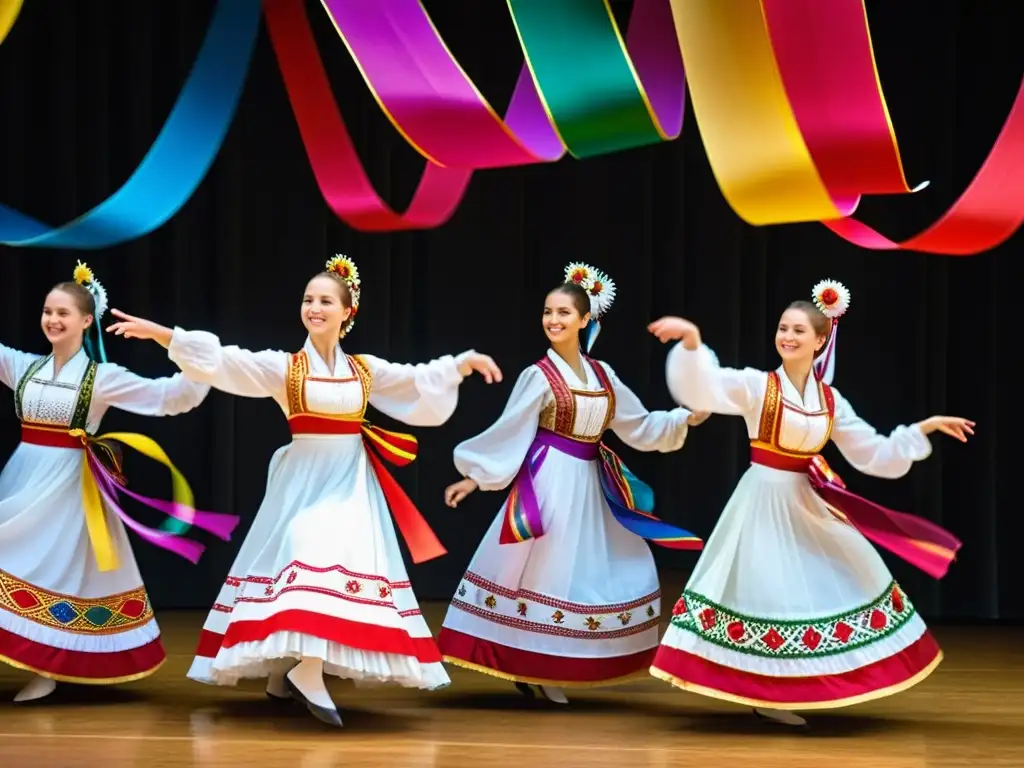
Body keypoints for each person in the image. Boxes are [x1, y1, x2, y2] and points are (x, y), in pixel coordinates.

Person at [105, 254, 503, 728]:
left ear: (347, 312)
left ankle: (301, 670)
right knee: (299, 552)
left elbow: (416, 379)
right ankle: (290, 670)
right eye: (308, 299)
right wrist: (166, 336)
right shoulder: (285, 368)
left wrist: (461, 365)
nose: (314, 307)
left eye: (325, 301)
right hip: (302, 480)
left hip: (352, 483)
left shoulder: (364, 370)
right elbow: (229, 361)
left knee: (330, 560)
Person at [647, 279, 972, 726]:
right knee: (767, 593)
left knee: (814, 587)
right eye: (783, 327)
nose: (788, 336)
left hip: (803, 501)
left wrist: (922, 430)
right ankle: (767, 692)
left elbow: (873, 453)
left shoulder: (830, 402)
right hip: (761, 501)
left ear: (821, 340)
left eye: (799, 330)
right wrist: (692, 343)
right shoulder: (757, 387)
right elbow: (705, 388)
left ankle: (790, 686)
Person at [437, 262, 709, 705]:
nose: (554, 320)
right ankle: (538, 666)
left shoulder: (603, 376)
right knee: (546, 573)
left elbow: (638, 425)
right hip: (548, 482)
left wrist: (687, 415)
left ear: (585, 320)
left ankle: (559, 661)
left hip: (591, 484)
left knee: (598, 570)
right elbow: (511, 429)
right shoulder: (538, 375)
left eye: (564, 313)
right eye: (548, 312)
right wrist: (474, 476)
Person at [0, 262, 227, 704]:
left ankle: (48, 665)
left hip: (68, 490)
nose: (52, 320)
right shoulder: (22, 366)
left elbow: (170, 397)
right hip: (24, 481)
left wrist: (176, 343)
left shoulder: (102, 379)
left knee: (59, 573)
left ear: (87, 321)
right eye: (48, 311)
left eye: (63, 312)